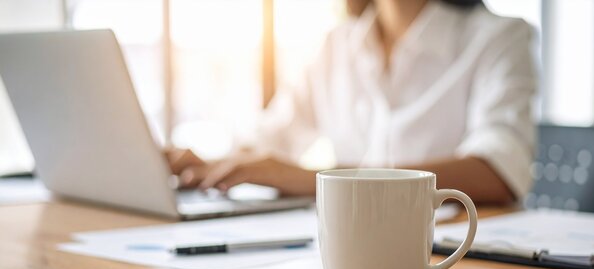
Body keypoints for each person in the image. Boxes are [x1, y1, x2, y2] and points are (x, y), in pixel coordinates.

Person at [167, 0, 537, 205]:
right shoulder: (337, 45)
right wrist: (210, 166)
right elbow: (271, 140)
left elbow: (498, 171)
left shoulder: (500, 38)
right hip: (347, 251)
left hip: (460, 265)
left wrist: (315, 180)